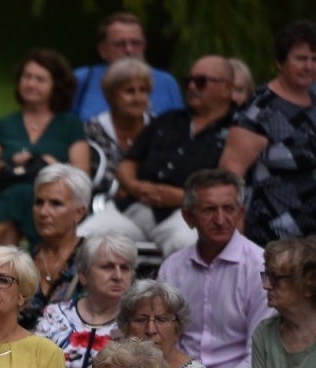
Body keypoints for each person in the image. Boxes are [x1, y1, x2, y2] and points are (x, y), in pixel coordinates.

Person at [0, 52, 90, 278]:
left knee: (22, 200)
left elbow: (81, 175)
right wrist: (10, 163)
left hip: (50, 205)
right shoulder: (5, 124)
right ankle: (13, 294)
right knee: (18, 200)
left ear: (56, 86)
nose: (31, 83)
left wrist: (53, 165)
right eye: (27, 77)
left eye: (40, 79)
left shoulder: (69, 124)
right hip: (7, 197)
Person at [84, 55, 237, 259]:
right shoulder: (168, 119)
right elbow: (128, 164)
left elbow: (233, 181)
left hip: (186, 213)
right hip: (135, 206)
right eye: (188, 81)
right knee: (84, 239)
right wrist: (136, 187)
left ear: (227, 87)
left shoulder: (239, 129)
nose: (191, 86)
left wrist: (184, 196)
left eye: (200, 82)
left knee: (189, 247)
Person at [157, 169, 274, 368]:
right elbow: (165, 341)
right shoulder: (173, 267)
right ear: (188, 217)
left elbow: (258, 354)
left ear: (240, 213)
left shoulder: (259, 267)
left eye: (229, 209)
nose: (220, 220)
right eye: (209, 210)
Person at [221, 20, 316, 247]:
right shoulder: (262, 108)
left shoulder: (314, 103)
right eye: (301, 58)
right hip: (270, 230)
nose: (309, 66)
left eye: (315, 59)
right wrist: (234, 226)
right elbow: (231, 170)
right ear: (280, 61)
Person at [33, 233, 137, 368]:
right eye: (107, 267)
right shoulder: (55, 316)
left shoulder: (138, 322)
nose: (118, 276)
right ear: (83, 275)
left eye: (125, 268)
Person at [251, 237, 316, 368]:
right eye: (266, 275)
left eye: (276, 277)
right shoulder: (264, 333)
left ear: (308, 285)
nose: (266, 285)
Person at [72, 12, 186, 119]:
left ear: (144, 47)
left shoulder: (166, 83)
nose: (129, 50)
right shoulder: (81, 79)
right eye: (120, 44)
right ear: (102, 50)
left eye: (136, 43)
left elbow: (180, 131)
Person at [20, 165, 94, 330]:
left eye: (56, 204)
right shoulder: (21, 264)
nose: (43, 212)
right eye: (39, 202)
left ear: (79, 213)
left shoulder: (94, 260)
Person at [82, 57, 152, 183]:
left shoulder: (159, 128)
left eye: (143, 90)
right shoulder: (91, 131)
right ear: (111, 95)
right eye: (129, 91)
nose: (138, 98)